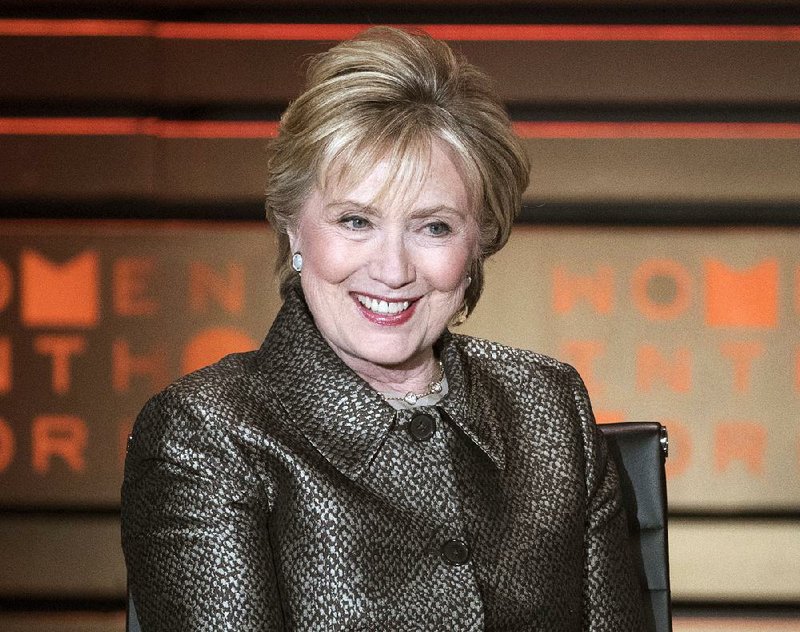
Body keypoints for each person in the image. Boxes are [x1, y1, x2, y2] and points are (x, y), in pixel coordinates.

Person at [121, 26, 646, 631]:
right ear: (294, 227)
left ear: (479, 242)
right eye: (355, 221)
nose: (393, 271)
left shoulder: (547, 405)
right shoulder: (204, 434)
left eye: (434, 228)